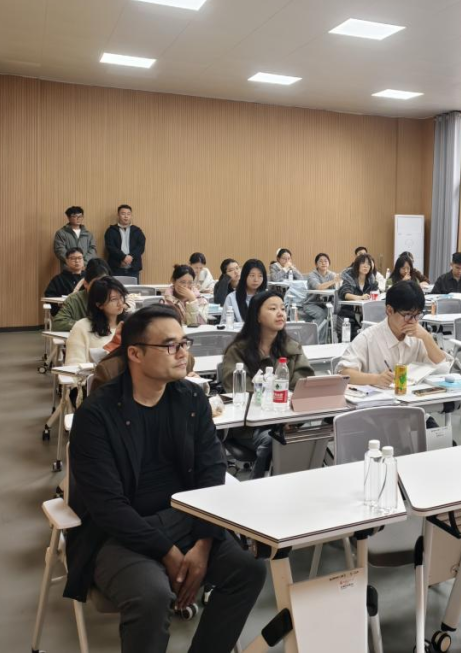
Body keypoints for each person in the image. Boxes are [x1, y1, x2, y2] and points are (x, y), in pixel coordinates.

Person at [65, 305, 267, 652]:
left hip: (186, 521)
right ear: (135, 353)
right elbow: (108, 507)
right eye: (171, 345)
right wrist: (169, 553)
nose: (183, 353)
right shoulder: (96, 416)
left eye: (184, 343)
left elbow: (210, 473)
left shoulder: (192, 399)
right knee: (152, 596)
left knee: (248, 571)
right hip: (120, 535)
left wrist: (203, 543)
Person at [218, 291, 315, 477]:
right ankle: (259, 485)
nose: (280, 313)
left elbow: (304, 384)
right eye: (272, 309)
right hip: (250, 427)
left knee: (317, 436)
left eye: (283, 309)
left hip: (287, 420)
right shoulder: (237, 351)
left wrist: (290, 419)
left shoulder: (292, 347)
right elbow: (243, 393)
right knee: (274, 441)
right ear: (257, 316)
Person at [336, 281, 451, 386]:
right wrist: (375, 379)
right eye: (408, 315)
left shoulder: (419, 336)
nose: (413, 321)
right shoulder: (368, 338)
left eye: (417, 315)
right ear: (389, 310)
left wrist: (427, 337)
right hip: (380, 400)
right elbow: (343, 373)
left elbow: (444, 369)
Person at [65, 277, 128, 365]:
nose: (120, 303)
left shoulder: (130, 324)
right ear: (99, 305)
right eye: (113, 299)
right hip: (94, 373)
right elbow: (73, 364)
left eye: (121, 297)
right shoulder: (82, 327)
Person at [52, 259, 111, 332]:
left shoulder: (112, 297)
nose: (100, 288)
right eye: (96, 284)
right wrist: (87, 325)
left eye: (105, 284)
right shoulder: (74, 299)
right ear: (86, 284)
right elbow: (58, 323)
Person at [338, 252, 379, 338]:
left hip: (365, 315)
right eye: (363, 263)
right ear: (357, 265)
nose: (366, 266)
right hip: (348, 315)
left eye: (368, 264)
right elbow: (345, 294)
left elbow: (375, 295)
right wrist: (360, 297)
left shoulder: (372, 281)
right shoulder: (349, 278)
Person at [104, 204, 146, 282]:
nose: (126, 216)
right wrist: (123, 257)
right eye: (123, 214)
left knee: (133, 290)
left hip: (133, 269)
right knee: (115, 289)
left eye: (128, 214)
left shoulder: (137, 231)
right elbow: (110, 247)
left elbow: (141, 247)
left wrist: (131, 256)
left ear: (131, 216)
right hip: (116, 269)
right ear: (118, 215)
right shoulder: (111, 230)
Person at [303, 253, 339, 342]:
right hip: (311, 304)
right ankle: (319, 342)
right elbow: (319, 287)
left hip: (326, 305)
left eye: (326, 261)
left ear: (329, 263)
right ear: (316, 264)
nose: (323, 263)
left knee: (334, 315)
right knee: (322, 315)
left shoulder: (332, 274)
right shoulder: (312, 275)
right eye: (321, 261)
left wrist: (339, 281)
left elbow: (338, 287)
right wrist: (333, 281)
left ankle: (332, 342)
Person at [222, 259, 266, 326]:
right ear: (244, 276)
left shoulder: (268, 297)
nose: (256, 280)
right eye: (252, 275)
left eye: (260, 276)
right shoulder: (232, 298)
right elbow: (225, 325)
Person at [44, 248, 86, 314]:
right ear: (66, 261)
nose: (77, 261)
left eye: (79, 258)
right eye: (73, 258)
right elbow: (49, 295)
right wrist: (59, 305)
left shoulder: (89, 277)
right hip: (66, 312)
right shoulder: (58, 279)